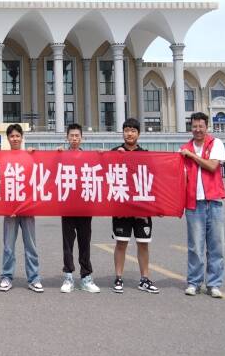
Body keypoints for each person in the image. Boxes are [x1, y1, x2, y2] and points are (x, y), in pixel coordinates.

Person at [180, 111, 225, 298]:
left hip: (213, 201)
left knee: (216, 246)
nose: (197, 129)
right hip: (193, 203)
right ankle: (194, 282)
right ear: (190, 127)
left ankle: (214, 284)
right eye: (194, 126)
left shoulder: (215, 143)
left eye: (201, 126)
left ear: (207, 127)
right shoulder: (184, 148)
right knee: (195, 247)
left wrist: (192, 156)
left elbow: (212, 166)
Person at [110, 118, 159, 294]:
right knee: (121, 243)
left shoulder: (145, 155)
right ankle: (118, 277)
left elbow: (153, 181)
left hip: (141, 208)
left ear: (138, 134)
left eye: (133, 130)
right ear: (122, 133)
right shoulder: (115, 152)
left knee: (143, 244)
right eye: (126, 130)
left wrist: (157, 207)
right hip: (121, 207)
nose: (129, 134)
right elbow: (104, 174)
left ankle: (144, 279)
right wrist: (113, 158)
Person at [0, 124, 43, 293]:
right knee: (8, 245)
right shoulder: (4, 158)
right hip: (9, 208)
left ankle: (34, 278)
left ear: (22, 137)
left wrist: (35, 155)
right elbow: (1, 183)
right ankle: (6, 276)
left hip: (27, 207)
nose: (15, 138)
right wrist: (6, 206)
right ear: (8, 139)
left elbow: (38, 177)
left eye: (18, 135)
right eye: (12, 136)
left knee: (30, 245)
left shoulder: (29, 156)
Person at [57, 123, 100, 294]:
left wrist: (102, 155)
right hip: (67, 205)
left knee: (84, 242)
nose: (74, 139)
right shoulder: (61, 155)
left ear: (82, 138)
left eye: (77, 136)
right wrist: (55, 155)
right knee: (67, 243)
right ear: (67, 137)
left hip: (84, 206)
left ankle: (86, 277)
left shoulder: (88, 157)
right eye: (71, 136)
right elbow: (47, 169)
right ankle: (68, 277)